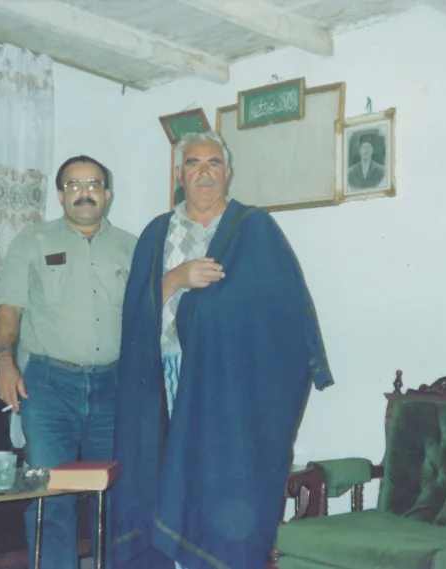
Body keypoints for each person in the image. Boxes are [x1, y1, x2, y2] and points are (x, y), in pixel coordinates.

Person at [110, 131, 334, 569]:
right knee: (167, 479)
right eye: (194, 163)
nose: (204, 172)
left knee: (223, 484)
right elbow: (133, 310)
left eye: (214, 163)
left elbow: (284, 309)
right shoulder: (156, 233)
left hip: (231, 390)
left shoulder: (254, 229)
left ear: (228, 173)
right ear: (180, 175)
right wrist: (176, 280)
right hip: (166, 380)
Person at [0, 155, 137, 569]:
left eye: (93, 184)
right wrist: (4, 362)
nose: (84, 192)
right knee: (49, 494)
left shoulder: (131, 247)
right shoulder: (32, 241)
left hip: (114, 388)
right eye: (74, 185)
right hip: (48, 386)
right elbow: (9, 307)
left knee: (114, 496)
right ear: (60, 195)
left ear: (107, 194)